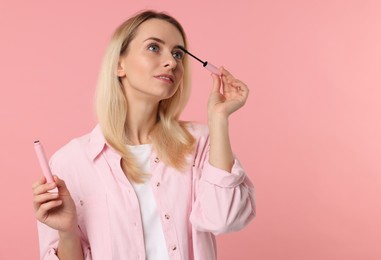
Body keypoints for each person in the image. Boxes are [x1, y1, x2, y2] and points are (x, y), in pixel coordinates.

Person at [32, 10, 256, 260]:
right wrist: (67, 234)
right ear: (119, 64)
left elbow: (224, 219)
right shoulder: (71, 161)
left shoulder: (201, 142)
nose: (171, 62)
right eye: (153, 48)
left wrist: (219, 119)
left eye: (178, 54)